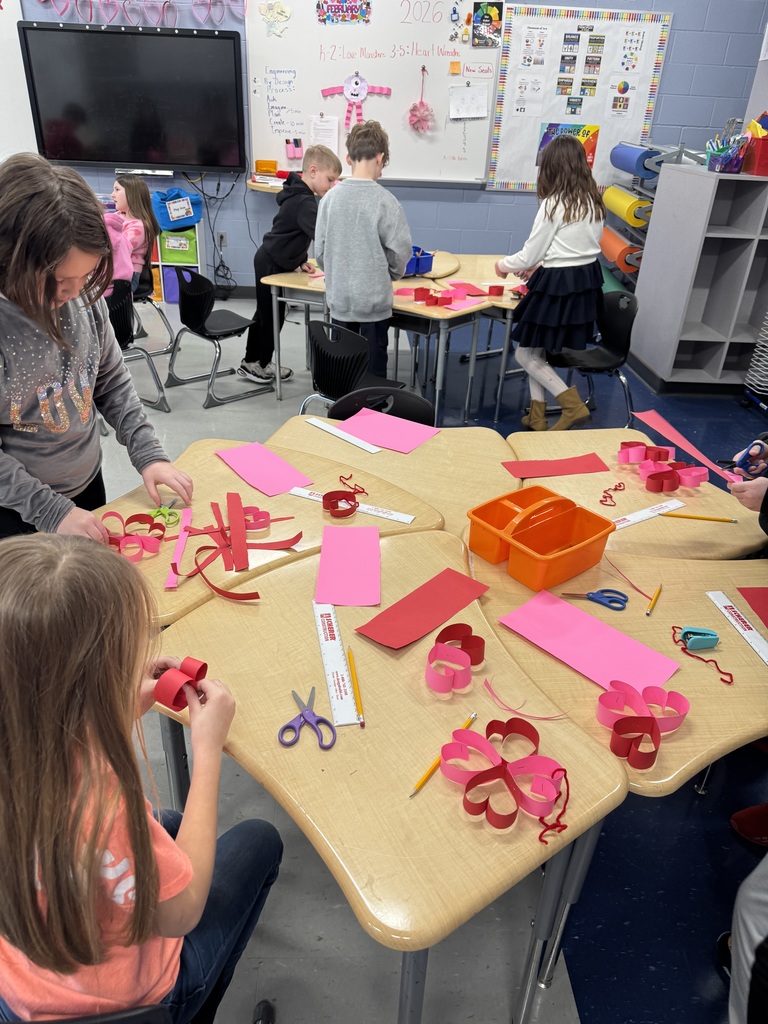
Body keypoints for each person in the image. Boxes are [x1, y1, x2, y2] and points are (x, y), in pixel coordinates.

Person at [0, 534, 282, 1024]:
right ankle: (194, 1009)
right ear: (93, 683)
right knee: (261, 839)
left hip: (21, 994)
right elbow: (180, 915)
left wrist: (112, 702)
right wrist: (207, 750)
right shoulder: (103, 806)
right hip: (135, 999)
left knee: (167, 819)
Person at [0, 152, 192, 541]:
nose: (74, 293)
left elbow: (111, 381)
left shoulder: (84, 297)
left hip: (86, 486)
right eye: (59, 280)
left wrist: (148, 454)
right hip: (18, 508)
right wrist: (50, 511)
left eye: (85, 275)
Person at [495, 132, 605, 432]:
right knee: (536, 349)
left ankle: (572, 406)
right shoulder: (593, 200)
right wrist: (540, 265)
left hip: (558, 286)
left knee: (525, 353)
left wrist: (503, 266)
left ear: (552, 167)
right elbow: (575, 247)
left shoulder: (554, 203)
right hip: (584, 282)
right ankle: (537, 415)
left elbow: (531, 252)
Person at [314, 120, 412, 378]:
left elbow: (320, 253)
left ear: (348, 158)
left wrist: (337, 272)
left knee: (344, 369)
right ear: (380, 158)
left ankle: (343, 401)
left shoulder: (329, 200)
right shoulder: (387, 202)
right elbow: (400, 253)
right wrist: (391, 274)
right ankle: (372, 401)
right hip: (374, 305)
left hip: (340, 302)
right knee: (373, 373)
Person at [239, 144, 342, 384]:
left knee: (269, 315)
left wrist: (301, 260)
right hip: (270, 263)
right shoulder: (305, 202)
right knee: (270, 317)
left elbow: (292, 234)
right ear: (313, 171)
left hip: (272, 259)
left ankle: (256, 361)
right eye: (330, 179)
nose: (331, 186)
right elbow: (321, 237)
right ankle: (255, 364)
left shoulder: (298, 195)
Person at [112, 174, 161, 292]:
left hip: (128, 276)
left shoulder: (139, 227)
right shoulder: (118, 215)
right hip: (115, 270)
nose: (112, 194)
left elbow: (117, 249)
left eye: (117, 190)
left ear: (131, 195)